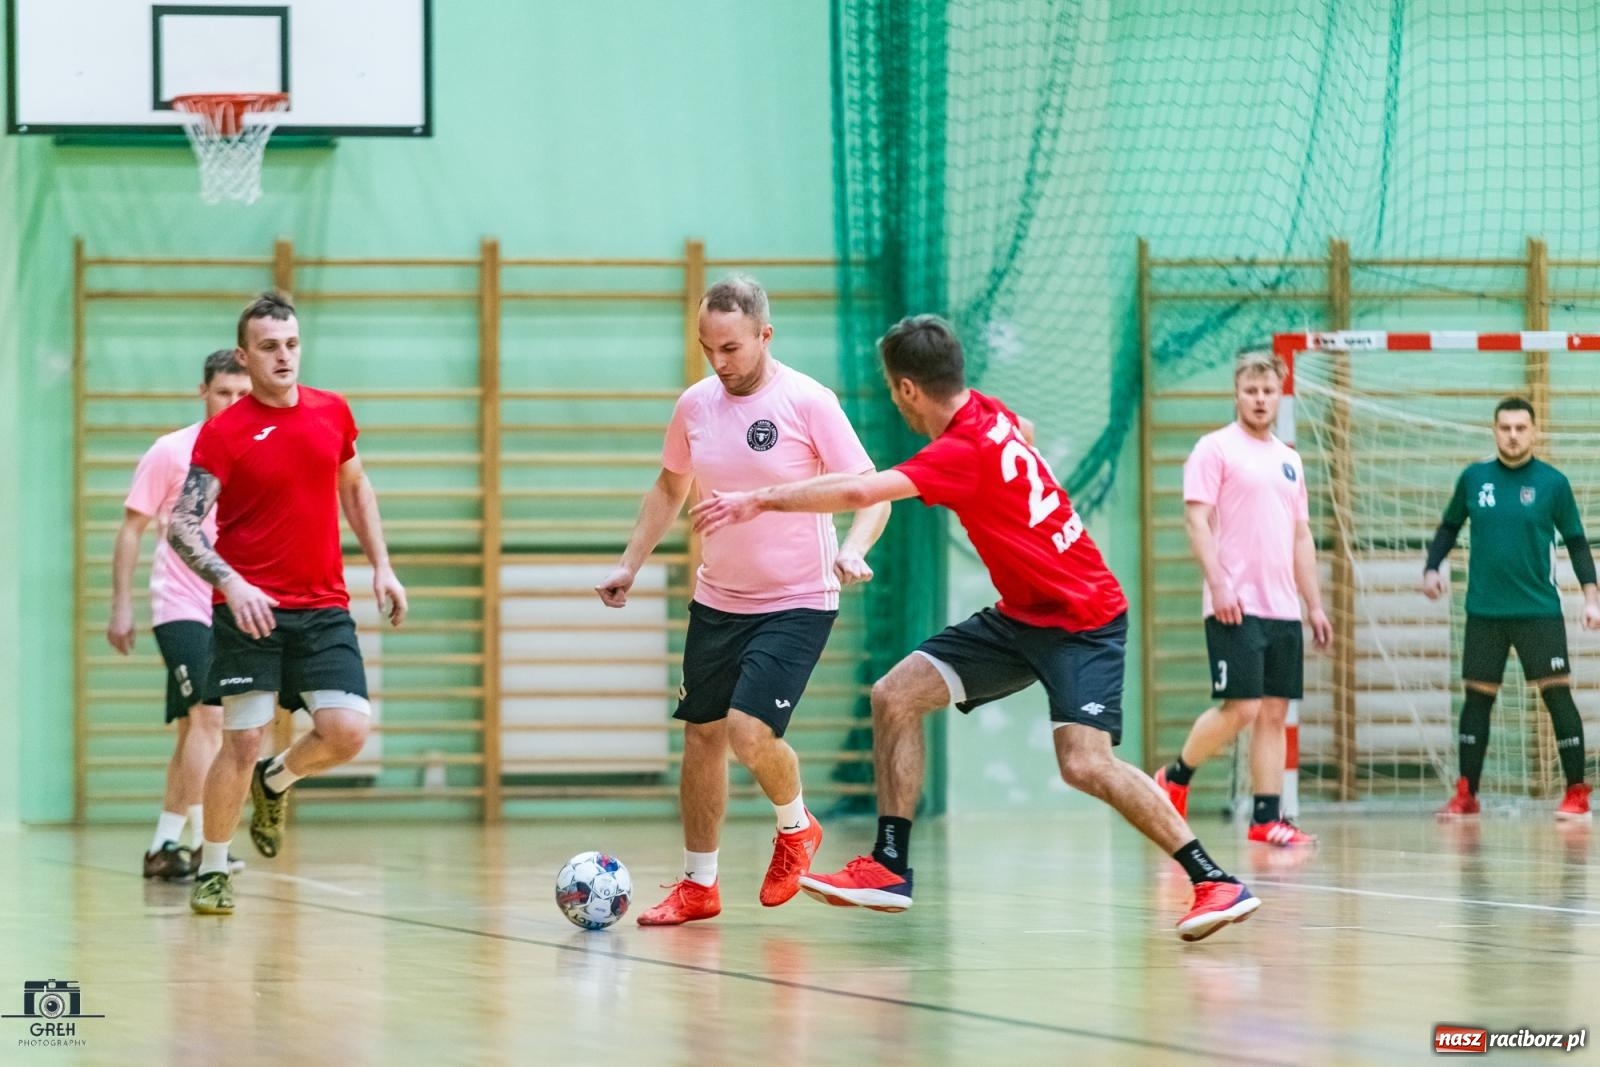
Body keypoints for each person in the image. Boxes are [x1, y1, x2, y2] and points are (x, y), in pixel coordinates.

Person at [691, 314, 1260, 941]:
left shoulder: (960, 452)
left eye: (891, 388)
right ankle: (888, 866)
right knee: (894, 695)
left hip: (1082, 618)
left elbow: (860, 493)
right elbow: (1028, 431)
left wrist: (758, 499)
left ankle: (1213, 878)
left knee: (1084, 764)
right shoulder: (987, 413)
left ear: (908, 390)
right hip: (1023, 613)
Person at [596, 275, 890, 926]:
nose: (718, 362)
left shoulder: (808, 401)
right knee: (702, 736)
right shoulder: (696, 405)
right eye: (708, 348)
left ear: (764, 335)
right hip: (719, 597)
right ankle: (699, 883)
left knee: (747, 731)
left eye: (730, 347)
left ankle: (797, 826)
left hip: (798, 598)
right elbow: (671, 487)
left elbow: (873, 490)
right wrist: (630, 563)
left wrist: (855, 548)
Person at [168, 292, 408, 915]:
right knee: (240, 742)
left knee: (347, 731)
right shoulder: (225, 433)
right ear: (246, 357)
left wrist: (382, 566)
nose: (284, 357)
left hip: (324, 605)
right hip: (252, 612)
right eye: (270, 347)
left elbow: (355, 487)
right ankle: (213, 869)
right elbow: (183, 525)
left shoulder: (332, 412)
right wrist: (234, 584)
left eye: (292, 345)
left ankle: (278, 780)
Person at [1151, 350, 1332, 846]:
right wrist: (1219, 583)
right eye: (1251, 391)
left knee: (1274, 712)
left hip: (1282, 607)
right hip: (1234, 603)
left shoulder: (1290, 460)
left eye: (1268, 391)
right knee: (1244, 708)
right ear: (1237, 392)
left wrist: (1313, 603)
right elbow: (1196, 521)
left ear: (1280, 394)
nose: (1259, 399)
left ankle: (1267, 818)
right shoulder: (1214, 449)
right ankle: (1176, 777)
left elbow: (1301, 538)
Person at [110, 349, 252, 879]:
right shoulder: (172, 452)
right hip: (180, 606)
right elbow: (131, 529)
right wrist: (121, 605)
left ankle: (164, 846)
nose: (233, 404)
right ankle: (201, 842)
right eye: (223, 393)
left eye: (243, 395)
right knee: (211, 718)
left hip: (230, 609)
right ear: (203, 391)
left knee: (194, 730)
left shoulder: (255, 451)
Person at [1424, 396, 1600, 820]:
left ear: (1534, 431)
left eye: (1521, 428)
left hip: (1538, 609)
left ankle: (1577, 793)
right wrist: (1432, 566)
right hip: (1484, 611)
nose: (1513, 435)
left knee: (1557, 695)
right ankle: (1466, 794)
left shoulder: (1552, 483)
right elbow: (1449, 526)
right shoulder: (1474, 478)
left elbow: (1576, 541)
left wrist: (1592, 596)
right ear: (1495, 430)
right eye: (1506, 428)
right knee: (1477, 700)